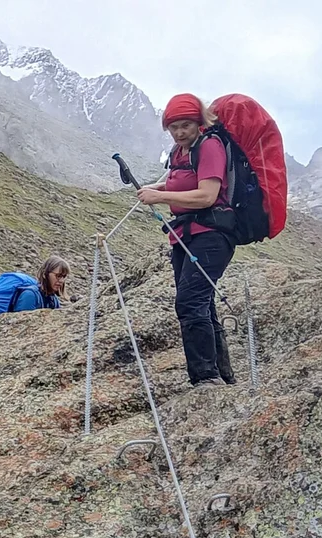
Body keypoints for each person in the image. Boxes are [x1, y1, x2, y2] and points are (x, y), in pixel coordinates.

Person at [136, 93, 238, 386]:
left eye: (185, 125)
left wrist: (160, 196)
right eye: (173, 127)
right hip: (185, 236)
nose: (179, 132)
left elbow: (206, 195)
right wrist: (156, 187)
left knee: (190, 301)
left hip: (211, 236)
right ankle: (222, 375)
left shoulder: (210, 146)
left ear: (198, 123)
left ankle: (205, 377)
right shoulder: (180, 152)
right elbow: (181, 182)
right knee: (202, 303)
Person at [0, 257, 71, 320]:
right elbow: (21, 326)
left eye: (64, 276)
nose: (61, 280)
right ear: (45, 274)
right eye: (58, 276)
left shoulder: (53, 299)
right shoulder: (29, 295)